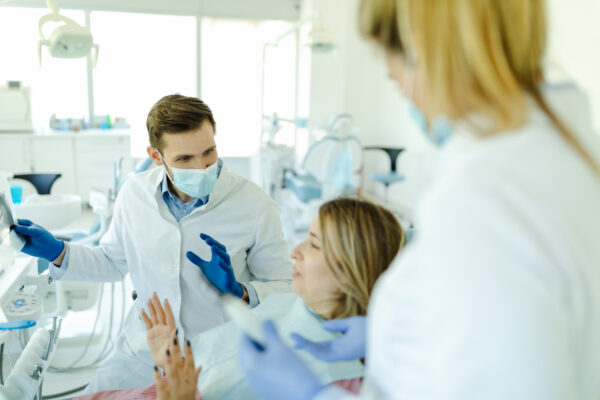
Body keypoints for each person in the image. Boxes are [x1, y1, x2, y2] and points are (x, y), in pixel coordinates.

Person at [236, 0, 600, 399]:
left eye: (395, 81)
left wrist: (311, 394)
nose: (412, 102)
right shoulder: (566, 158)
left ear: (424, 50)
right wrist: (385, 335)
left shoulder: (485, 198)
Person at [11, 94, 293, 393]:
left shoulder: (254, 204)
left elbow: (285, 286)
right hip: (143, 351)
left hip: (221, 356)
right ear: (156, 156)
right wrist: (58, 252)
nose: (201, 166)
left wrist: (241, 292)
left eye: (209, 152)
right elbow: (113, 262)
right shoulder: (135, 194)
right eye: (184, 158)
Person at [74, 198, 405, 400]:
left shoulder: (341, 381)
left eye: (314, 245)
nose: (296, 252)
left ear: (349, 271)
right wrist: (170, 360)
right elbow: (219, 365)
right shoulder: (288, 302)